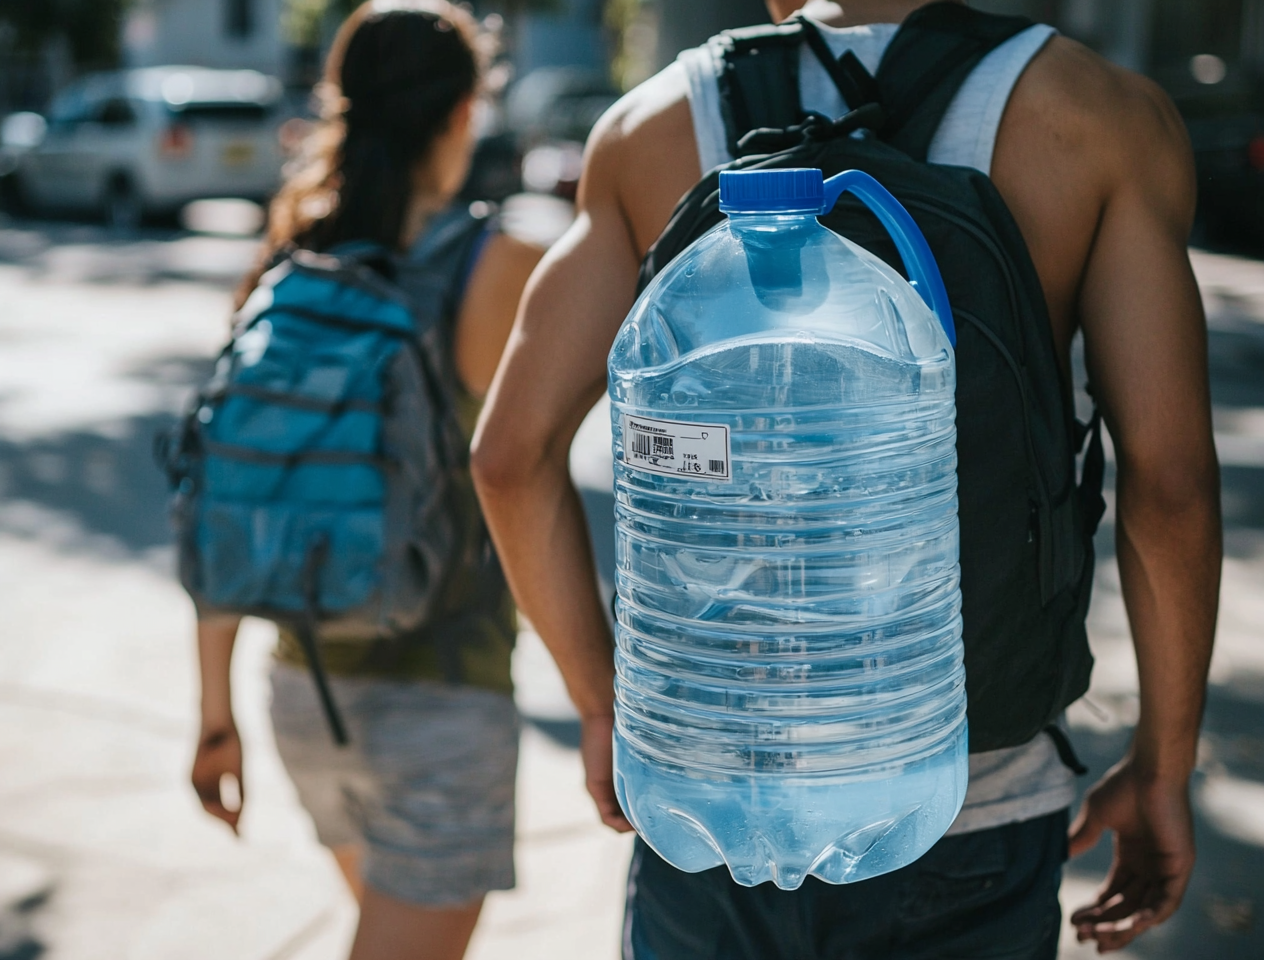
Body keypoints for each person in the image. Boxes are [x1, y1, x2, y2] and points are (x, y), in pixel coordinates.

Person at [471, 0, 1221, 956]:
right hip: (963, 798)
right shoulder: (1097, 114)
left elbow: (508, 458)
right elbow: (1171, 486)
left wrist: (605, 708)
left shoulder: (651, 125)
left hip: (710, 789)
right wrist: (1164, 763)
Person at [188, 4, 541, 959]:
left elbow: (230, 488)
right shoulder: (495, 263)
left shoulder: (288, 256)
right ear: (466, 111)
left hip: (300, 691)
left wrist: (214, 717)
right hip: (442, 697)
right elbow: (529, 476)